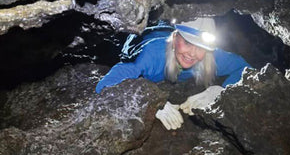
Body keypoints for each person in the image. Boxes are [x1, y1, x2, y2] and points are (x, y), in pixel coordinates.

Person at [95, 18, 250, 130]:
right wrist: (150, 103)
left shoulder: (210, 57)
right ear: (176, 38)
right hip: (147, 36)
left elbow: (246, 69)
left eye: (201, 47)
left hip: (166, 28)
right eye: (188, 43)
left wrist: (221, 92)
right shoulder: (152, 55)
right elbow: (104, 86)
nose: (193, 54)